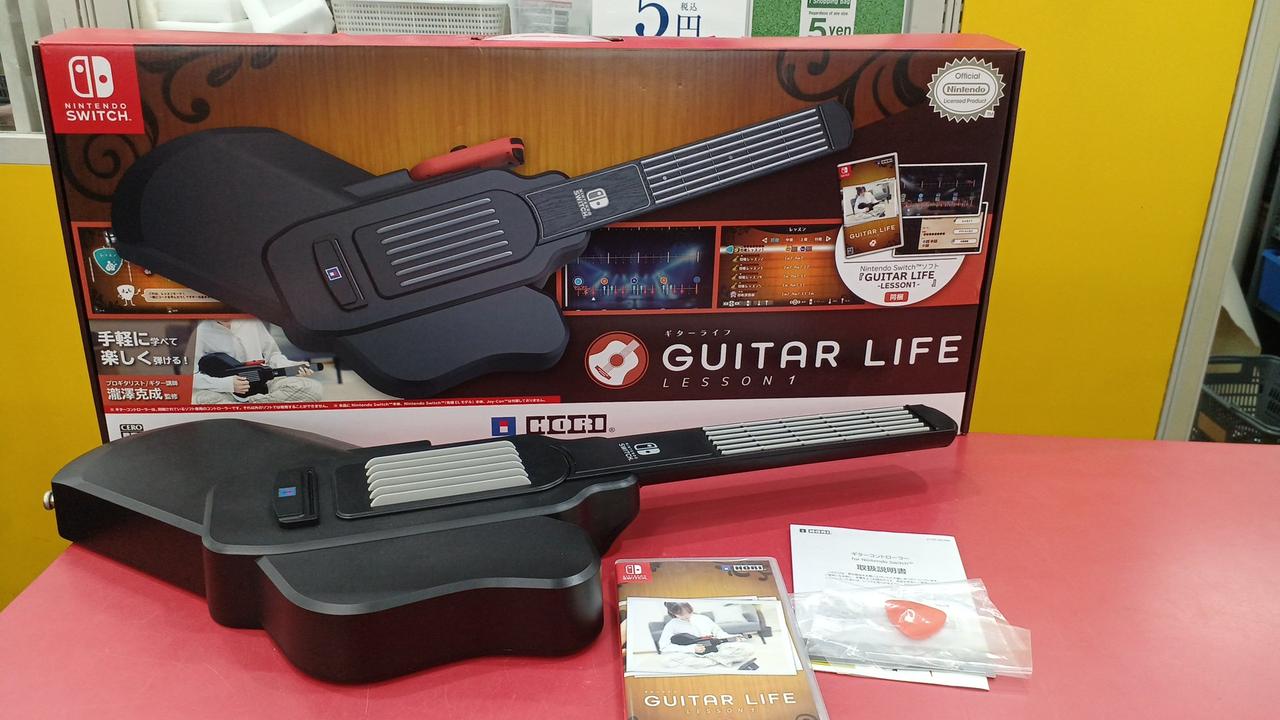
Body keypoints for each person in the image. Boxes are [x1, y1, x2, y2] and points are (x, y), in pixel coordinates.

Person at [190, 319, 321, 404]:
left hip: (266, 384)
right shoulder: (201, 332)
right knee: (202, 399)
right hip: (227, 392)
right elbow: (190, 376)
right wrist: (227, 384)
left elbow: (273, 355)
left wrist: (292, 366)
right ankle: (257, 407)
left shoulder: (252, 322)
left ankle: (247, 406)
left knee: (313, 389)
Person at [657, 602, 758, 670]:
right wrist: (691, 649)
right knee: (666, 661)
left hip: (716, 649)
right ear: (673, 613)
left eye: (689, 612)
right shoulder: (671, 625)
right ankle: (719, 661)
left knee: (749, 648)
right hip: (692, 654)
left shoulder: (702, 618)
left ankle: (710, 662)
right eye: (682, 615)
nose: (687, 616)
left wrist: (734, 638)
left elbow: (719, 633)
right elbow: (664, 647)